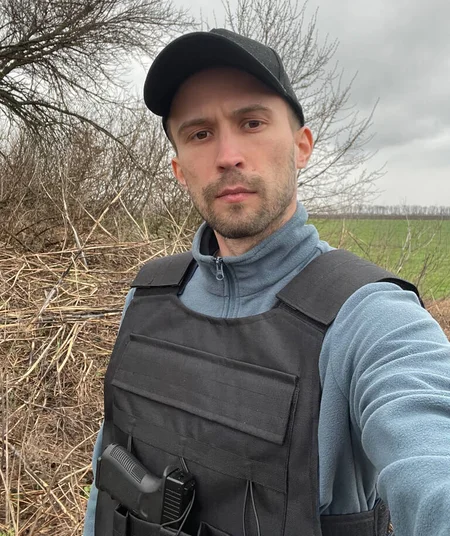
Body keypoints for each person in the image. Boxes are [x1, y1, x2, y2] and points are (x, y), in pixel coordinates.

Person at [83, 29, 450, 536]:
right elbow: (110, 477)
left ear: (302, 147)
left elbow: (433, 460)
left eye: (251, 122)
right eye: (199, 133)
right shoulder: (147, 298)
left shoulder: (369, 320)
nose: (228, 154)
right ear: (179, 170)